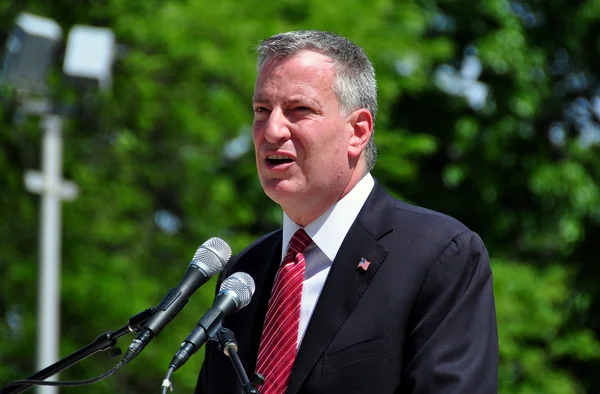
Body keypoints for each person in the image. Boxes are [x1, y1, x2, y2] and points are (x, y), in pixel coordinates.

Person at [195, 30, 498, 394]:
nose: (271, 130)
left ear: (358, 131)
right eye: (262, 110)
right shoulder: (244, 273)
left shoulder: (440, 255)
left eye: (299, 110)